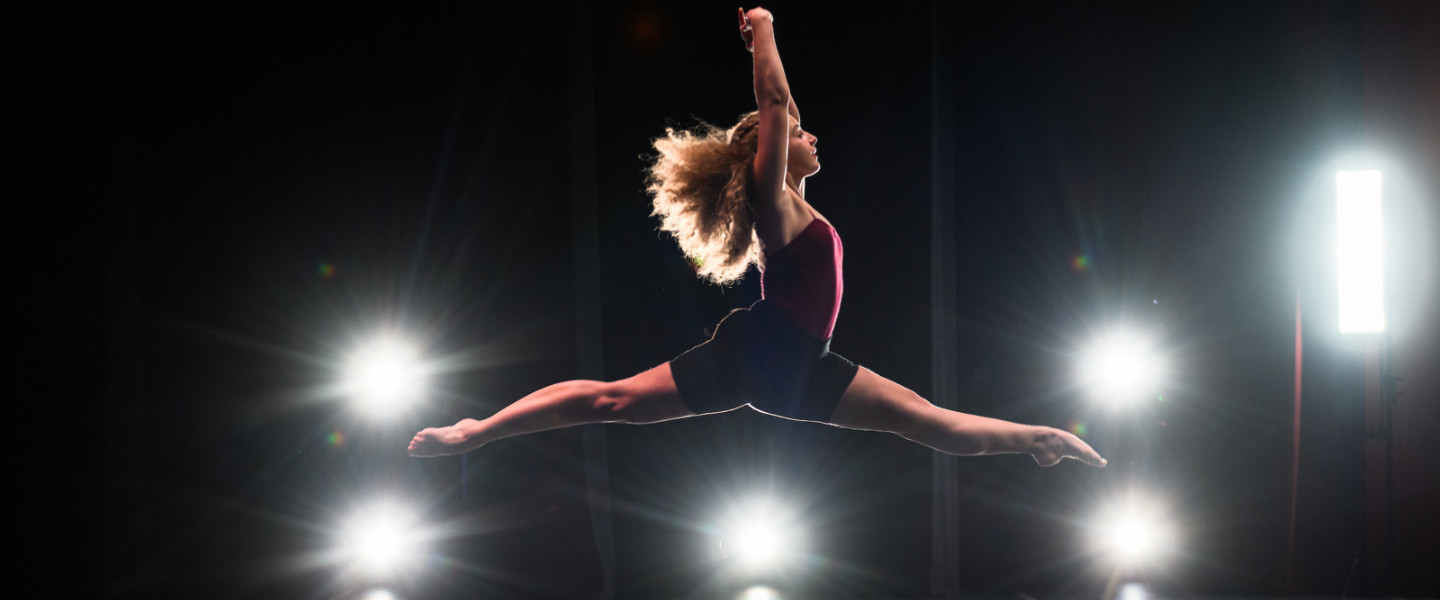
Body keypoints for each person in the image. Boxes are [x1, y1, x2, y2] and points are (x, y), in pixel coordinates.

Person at [408, 7, 1106, 470]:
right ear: (768, 152)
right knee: (609, 401)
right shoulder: (775, 207)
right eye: (801, 134)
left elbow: (784, 105)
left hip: (805, 367)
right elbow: (773, 105)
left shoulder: (797, 205)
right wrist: (766, 27)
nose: (812, 132)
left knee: (929, 424)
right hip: (762, 352)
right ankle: (477, 431)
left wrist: (772, 68)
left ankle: (1040, 440)